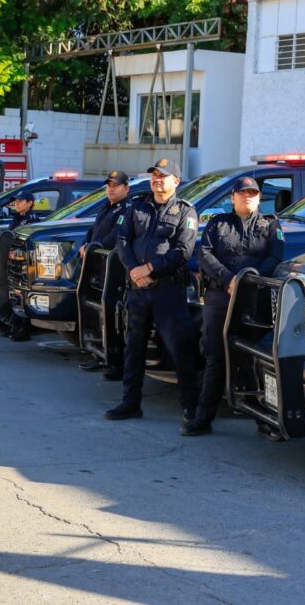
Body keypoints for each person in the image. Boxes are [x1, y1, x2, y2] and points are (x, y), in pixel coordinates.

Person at [183, 176, 284, 436]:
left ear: (259, 198)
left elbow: (275, 256)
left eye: (253, 193)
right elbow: (204, 254)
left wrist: (246, 280)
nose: (247, 196)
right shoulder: (218, 223)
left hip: (254, 298)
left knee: (253, 358)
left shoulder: (271, 224)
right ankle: (203, 418)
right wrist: (229, 279)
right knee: (216, 357)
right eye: (242, 193)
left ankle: (265, 419)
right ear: (232, 197)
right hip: (220, 297)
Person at [106, 158, 200, 423]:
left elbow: (183, 250)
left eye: (163, 176)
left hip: (167, 291)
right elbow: (122, 240)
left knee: (180, 349)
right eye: (154, 175)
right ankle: (130, 403)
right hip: (138, 290)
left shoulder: (186, 212)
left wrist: (149, 269)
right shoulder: (137, 206)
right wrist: (134, 271)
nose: (157, 180)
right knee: (134, 349)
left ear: (176, 181)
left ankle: (191, 409)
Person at [79, 170, 132, 380]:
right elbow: (93, 230)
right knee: (96, 312)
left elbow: (116, 237)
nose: (111, 189)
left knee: (112, 316)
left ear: (126, 188)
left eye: (115, 185)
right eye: (109, 185)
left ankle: (115, 361)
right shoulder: (106, 207)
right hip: (97, 268)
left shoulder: (127, 209)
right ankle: (99, 354)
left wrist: (94, 247)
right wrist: (86, 244)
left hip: (112, 270)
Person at [4, 187, 40, 340]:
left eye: (20, 201)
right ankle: (15, 325)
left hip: (25, 263)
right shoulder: (18, 217)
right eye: (16, 201)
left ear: (30, 203)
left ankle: (24, 329)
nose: (17, 204)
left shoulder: (31, 219)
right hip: (16, 263)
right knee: (15, 295)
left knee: (23, 295)